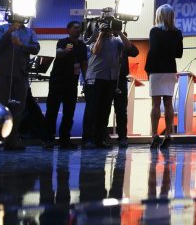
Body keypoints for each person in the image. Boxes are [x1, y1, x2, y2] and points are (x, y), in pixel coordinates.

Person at [81, 19, 136, 148]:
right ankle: (87, 139)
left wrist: (119, 32)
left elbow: (129, 48)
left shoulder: (116, 40)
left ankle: (100, 139)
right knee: (92, 109)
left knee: (105, 110)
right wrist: (101, 33)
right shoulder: (93, 39)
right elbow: (95, 50)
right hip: (95, 78)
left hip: (110, 79)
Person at [0, 16, 40, 150]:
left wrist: (21, 45)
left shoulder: (30, 32)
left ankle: (12, 141)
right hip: (2, 75)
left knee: (18, 109)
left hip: (21, 76)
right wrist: (9, 33)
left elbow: (36, 48)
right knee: (1, 108)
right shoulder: (1, 29)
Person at [43, 21, 87, 149]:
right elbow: (59, 53)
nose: (78, 30)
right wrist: (66, 50)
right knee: (52, 110)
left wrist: (86, 80)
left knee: (69, 112)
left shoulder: (82, 45)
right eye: (75, 28)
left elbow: (84, 63)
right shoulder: (63, 41)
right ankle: (49, 138)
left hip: (72, 82)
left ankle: (64, 139)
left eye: (79, 29)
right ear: (68, 30)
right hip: (58, 81)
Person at [145, 4, 183, 149]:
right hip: (169, 68)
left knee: (155, 104)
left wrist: (148, 68)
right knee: (168, 103)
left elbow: (153, 51)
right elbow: (179, 54)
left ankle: (154, 135)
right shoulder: (177, 32)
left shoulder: (154, 31)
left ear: (159, 16)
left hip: (156, 69)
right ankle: (168, 134)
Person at [112, 30, 139, 148]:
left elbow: (135, 52)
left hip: (121, 80)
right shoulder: (107, 43)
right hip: (106, 78)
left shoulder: (123, 45)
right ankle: (102, 136)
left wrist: (122, 36)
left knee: (121, 110)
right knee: (103, 109)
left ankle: (122, 137)